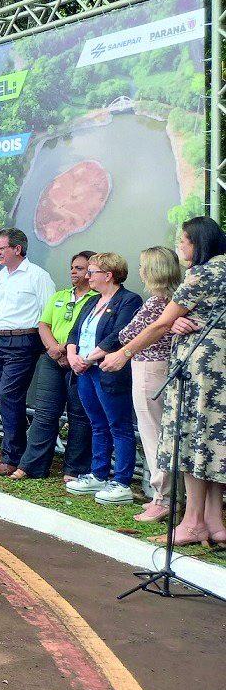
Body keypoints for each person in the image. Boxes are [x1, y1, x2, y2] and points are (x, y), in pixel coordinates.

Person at [103, 216, 226, 546]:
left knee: (189, 440)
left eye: (183, 241)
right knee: (211, 443)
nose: (180, 247)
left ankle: (193, 523)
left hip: (200, 367)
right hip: (220, 364)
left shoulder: (201, 274)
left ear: (198, 242)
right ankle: (214, 522)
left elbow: (160, 324)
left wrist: (123, 353)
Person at [11, 251, 97, 482]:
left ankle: (74, 470)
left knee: (79, 417)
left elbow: (88, 331)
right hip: (52, 360)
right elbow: (44, 324)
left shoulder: (97, 300)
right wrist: (53, 349)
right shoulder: (60, 295)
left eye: (79, 268)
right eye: (72, 267)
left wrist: (67, 350)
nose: (73, 271)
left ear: (92, 272)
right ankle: (32, 466)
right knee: (45, 414)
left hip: (80, 362)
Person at [64, 253, 143, 505]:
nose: (87, 276)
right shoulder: (93, 300)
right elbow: (75, 331)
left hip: (107, 370)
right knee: (97, 423)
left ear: (108, 275)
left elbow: (119, 336)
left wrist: (87, 358)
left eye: (92, 272)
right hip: (86, 370)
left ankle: (121, 481)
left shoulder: (128, 300)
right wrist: (72, 354)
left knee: (118, 425)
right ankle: (98, 474)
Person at [110, 247, 182, 522]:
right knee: (163, 434)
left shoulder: (156, 304)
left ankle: (163, 499)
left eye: (142, 265)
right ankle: (166, 497)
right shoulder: (175, 300)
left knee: (153, 436)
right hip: (162, 369)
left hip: (149, 370)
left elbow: (127, 334)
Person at [0, 227, 56, 476]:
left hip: (23, 341)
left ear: (17, 249)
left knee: (9, 395)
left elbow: (47, 315)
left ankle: (13, 457)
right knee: (2, 397)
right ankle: (14, 451)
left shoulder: (38, 276)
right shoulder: (3, 275)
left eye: (1, 248)